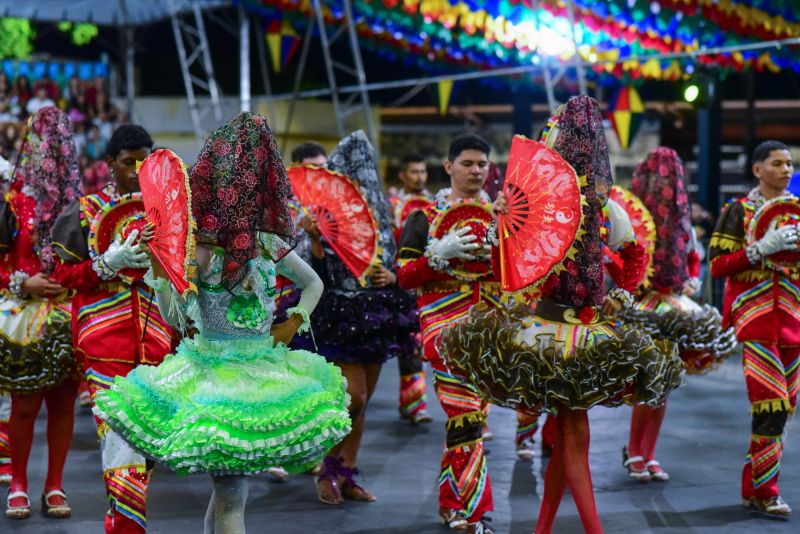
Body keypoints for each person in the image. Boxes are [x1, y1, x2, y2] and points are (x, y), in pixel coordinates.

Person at [93, 112, 351, 534]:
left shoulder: (267, 243)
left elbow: (314, 284)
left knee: (231, 494)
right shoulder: (199, 248)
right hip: (211, 378)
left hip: (260, 372)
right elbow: (174, 320)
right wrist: (161, 276)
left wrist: (293, 322)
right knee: (232, 494)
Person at [438, 97, 684, 534]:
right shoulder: (533, 203)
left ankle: (546, 528)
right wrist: (503, 226)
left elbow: (634, 255)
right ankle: (590, 530)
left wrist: (622, 296)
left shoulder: (602, 208)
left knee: (571, 435)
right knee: (573, 436)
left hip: (579, 332)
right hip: (551, 334)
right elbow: (504, 271)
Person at [51, 124, 172, 534]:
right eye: (128, 163)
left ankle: (118, 517)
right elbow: (62, 274)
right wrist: (108, 263)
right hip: (103, 345)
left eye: (145, 161)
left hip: (158, 347)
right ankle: (127, 527)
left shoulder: (168, 212)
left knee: (142, 451)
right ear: (109, 165)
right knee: (122, 446)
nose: (138, 170)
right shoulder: (84, 211)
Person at [396, 133, 501, 533]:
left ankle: (450, 504)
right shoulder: (423, 217)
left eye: (482, 164)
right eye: (468, 164)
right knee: (466, 418)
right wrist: (437, 255)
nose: (476, 171)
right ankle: (476, 513)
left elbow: (519, 277)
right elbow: (405, 277)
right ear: (449, 167)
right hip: (445, 332)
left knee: (469, 421)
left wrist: (499, 251)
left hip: (492, 333)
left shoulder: (502, 218)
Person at [617, 147, 737, 482]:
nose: (666, 183)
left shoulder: (681, 222)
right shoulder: (633, 216)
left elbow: (692, 256)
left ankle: (648, 453)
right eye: (659, 175)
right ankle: (635, 451)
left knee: (664, 383)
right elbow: (620, 257)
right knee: (648, 383)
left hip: (676, 306)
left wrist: (693, 279)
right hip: (644, 308)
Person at [310, 131, 417, 505]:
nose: (361, 178)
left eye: (365, 172)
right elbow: (312, 272)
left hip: (376, 310)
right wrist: (313, 240)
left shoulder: (381, 216)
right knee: (351, 397)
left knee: (365, 397)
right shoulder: (323, 217)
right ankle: (326, 467)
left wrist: (390, 276)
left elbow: (393, 261)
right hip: (340, 313)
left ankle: (347, 472)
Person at [709, 140, 799, 519]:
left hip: (793, 321)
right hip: (755, 319)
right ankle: (766, 491)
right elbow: (717, 265)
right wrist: (759, 249)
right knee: (771, 405)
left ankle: (753, 486)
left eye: (790, 164)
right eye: (777, 163)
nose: (786, 170)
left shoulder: (796, 214)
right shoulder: (737, 212)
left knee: (782, 409)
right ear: (758, 169)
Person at [0, 107, 82, 519]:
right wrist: (22, 282)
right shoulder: (13, 204)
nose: (50, 153)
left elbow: (89, 264)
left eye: (57, 144)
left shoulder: (82, 208)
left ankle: (54, 484)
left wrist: (73, 280)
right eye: (41, 144)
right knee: (25, 407)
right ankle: (18, 482)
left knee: (63, 406)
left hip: (68, 317)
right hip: (23, 317)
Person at [388, 154, 433, 425]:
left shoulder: (434, 205)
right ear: (403, 175)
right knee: (409, 344)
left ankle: (413, 403)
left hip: (428, 279)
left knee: (419, 344)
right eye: (414, 172)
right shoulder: (392, 206)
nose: (419, 177)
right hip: (399, 281)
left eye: (423, 171)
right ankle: (414, 403)